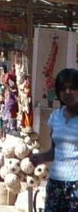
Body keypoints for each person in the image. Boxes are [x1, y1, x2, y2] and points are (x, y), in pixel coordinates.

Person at [31, 67, 78, 212]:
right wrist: (40, 157)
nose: (67, 92)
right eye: (63, 88)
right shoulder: (55, 117)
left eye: (72, 88)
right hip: (55, 183)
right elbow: (54, 151)